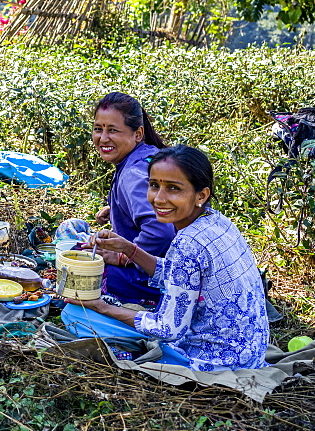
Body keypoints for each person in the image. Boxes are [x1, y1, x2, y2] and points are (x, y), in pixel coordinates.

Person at [62, 146, 270, 371]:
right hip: (250, 353)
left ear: (201, 195)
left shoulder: (188, 242)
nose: (159, 198)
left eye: (173, 188)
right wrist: (129, 249)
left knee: (75, 314)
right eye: (154, 186)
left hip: (215, 362)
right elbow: (180, 274)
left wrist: (101, 307)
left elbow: (168, 329)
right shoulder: (218, 222)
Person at [58, 92, 174, 307]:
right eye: (98, 129)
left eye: (112, 130)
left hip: (158, 279)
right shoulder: (148, 155)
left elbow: (161, 230)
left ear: (138, 134)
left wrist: (123, 258)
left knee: (77, 268)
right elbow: (156, 204)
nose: (103, 138)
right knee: (77, 232)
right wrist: (117, 209)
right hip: (169, 267)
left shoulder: (133, 173)